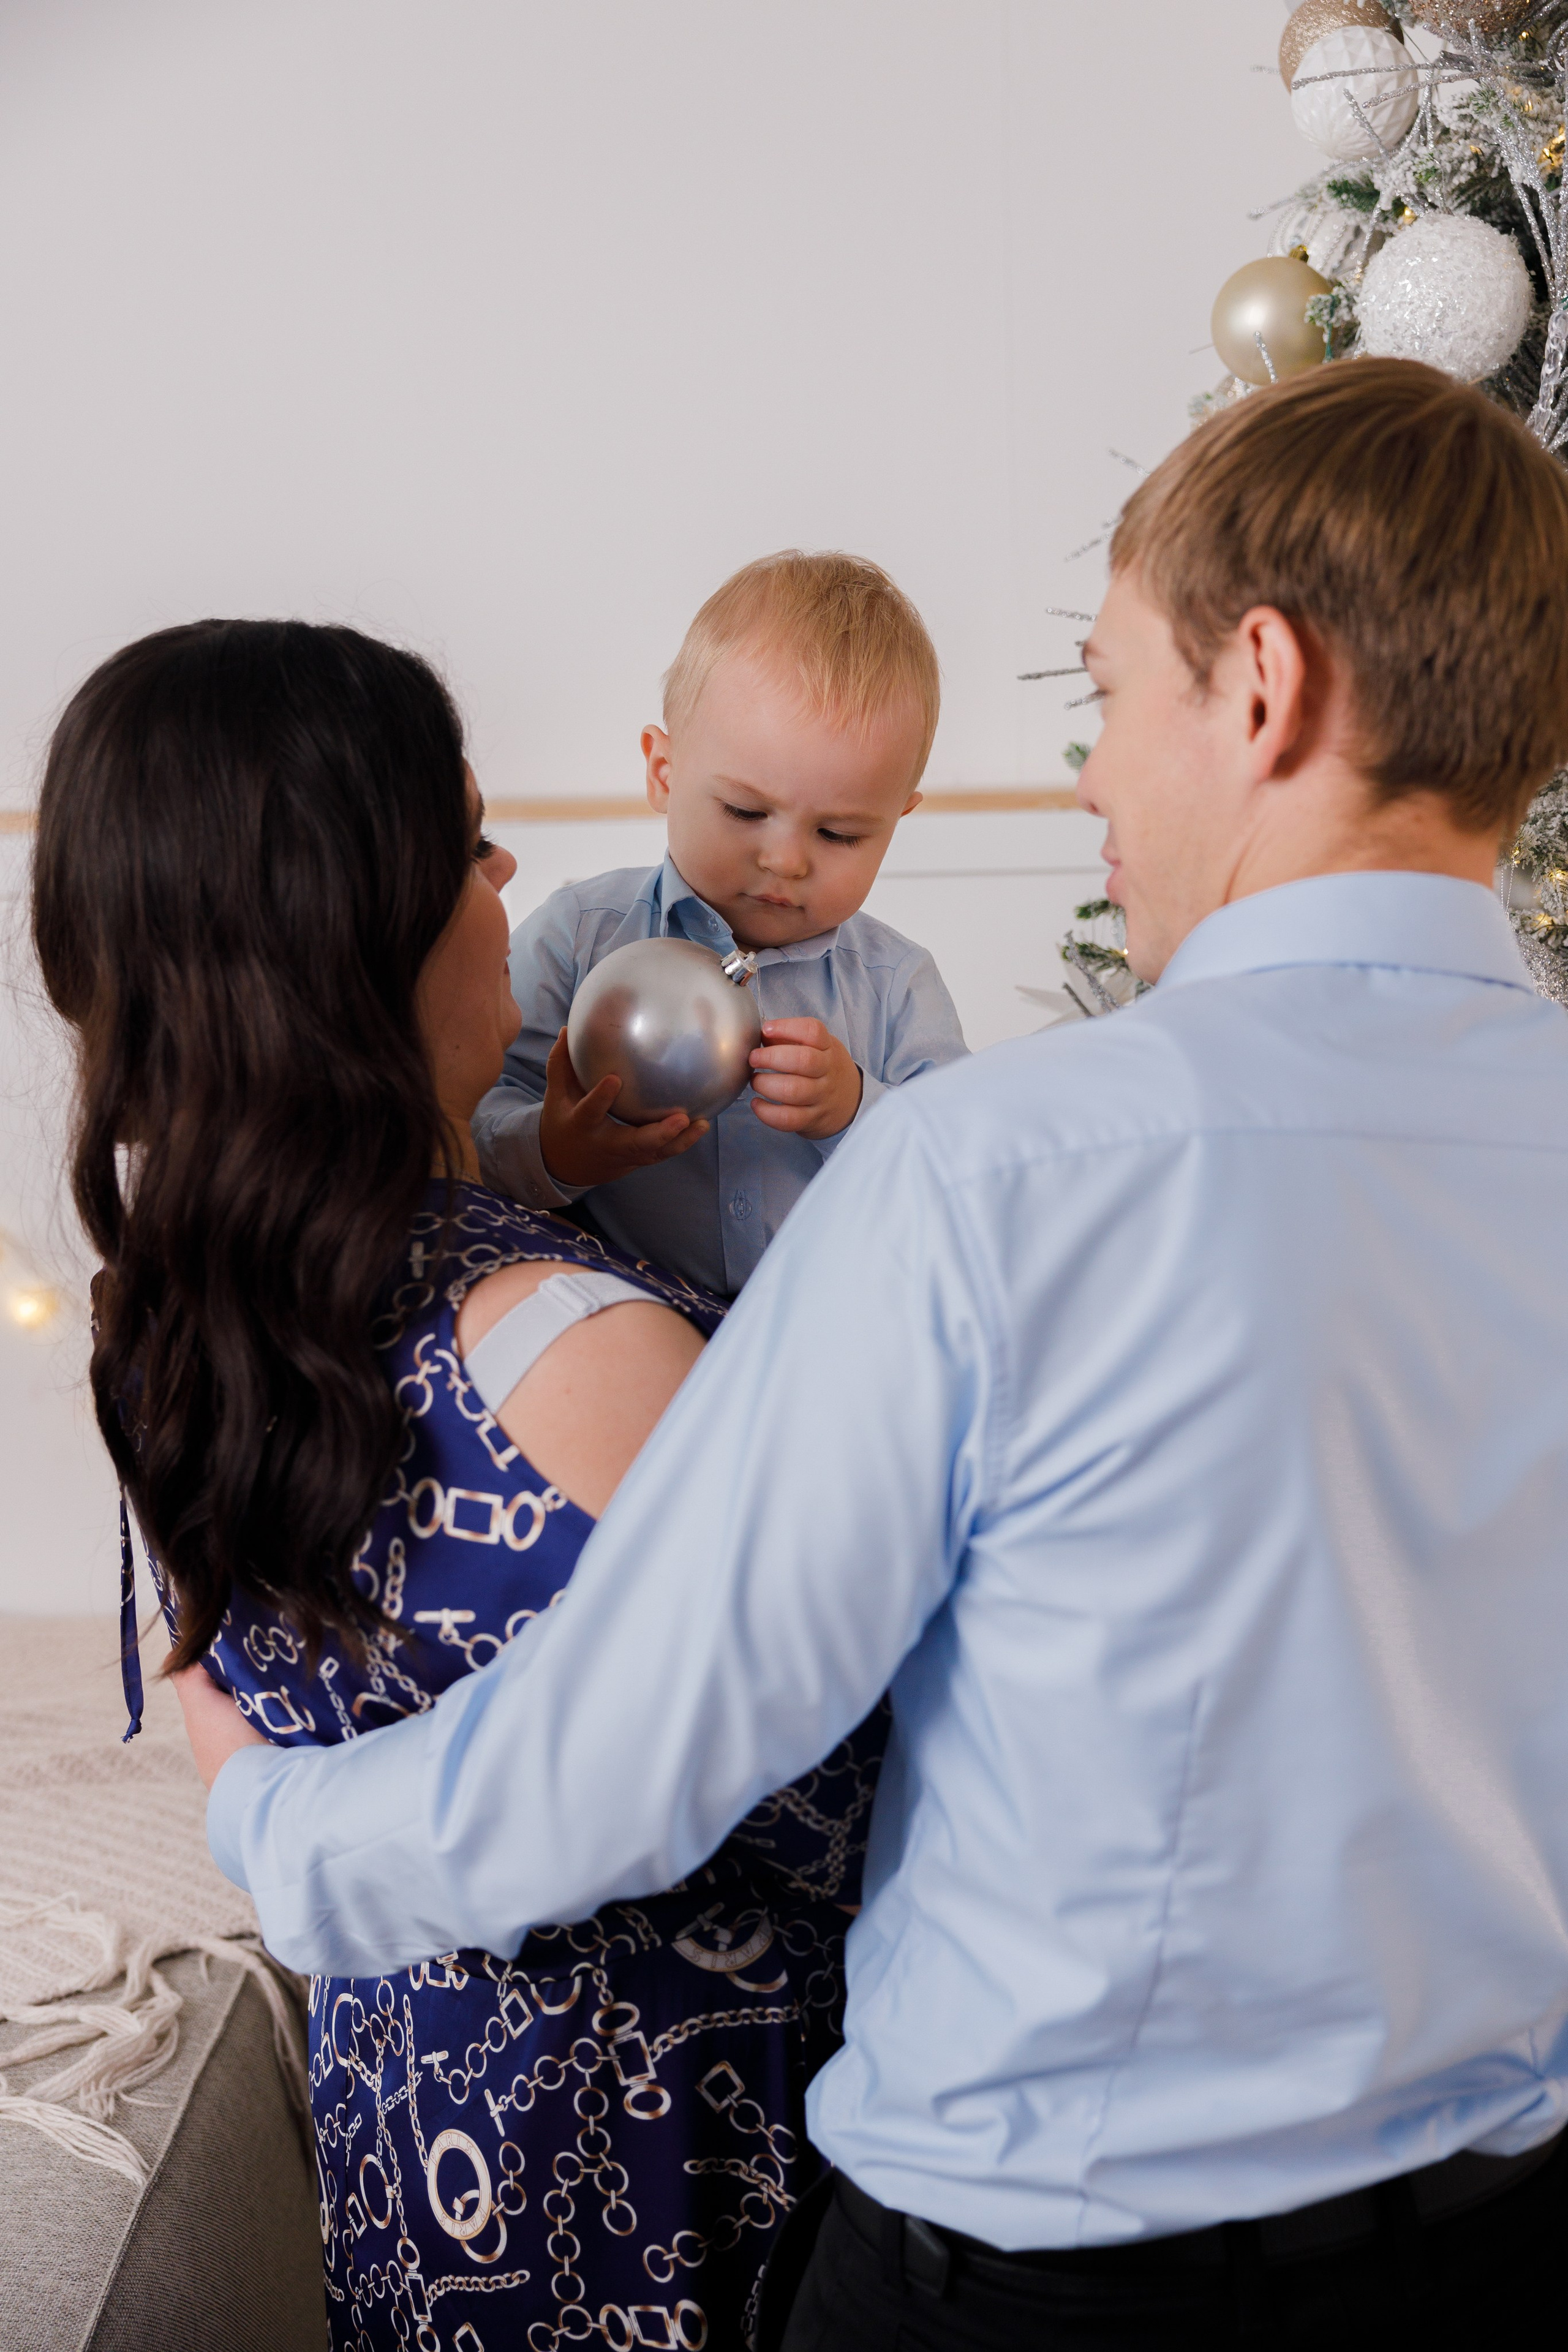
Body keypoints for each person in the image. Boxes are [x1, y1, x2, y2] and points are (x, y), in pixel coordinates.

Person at [187, 356, 1568, 2348]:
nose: (1089, 777)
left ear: (1261, 688)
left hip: (1045, 2282)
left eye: (1108, 695)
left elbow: (636, 1755)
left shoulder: (1006, 1168)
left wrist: (271, 1825)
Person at [30, 619, 886, 2352]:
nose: (509, 873)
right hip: (688, 2170)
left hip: (411, 2142)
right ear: (367, 928)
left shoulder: (161, 1316)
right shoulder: (573, 1345)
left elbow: (241, 1708)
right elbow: (841, 1789)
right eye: (468, 836)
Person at [473, 550, 968, 1297]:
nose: (787, 861)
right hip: (624, 1331)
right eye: (744, 811)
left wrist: (854, 1110)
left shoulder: (895, 983)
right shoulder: (581, 936)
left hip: (828, 1333)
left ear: (898, 818)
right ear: (663, 774)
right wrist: (555, 1149)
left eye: (839, 835)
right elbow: (466, 1122)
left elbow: (964, 1172)